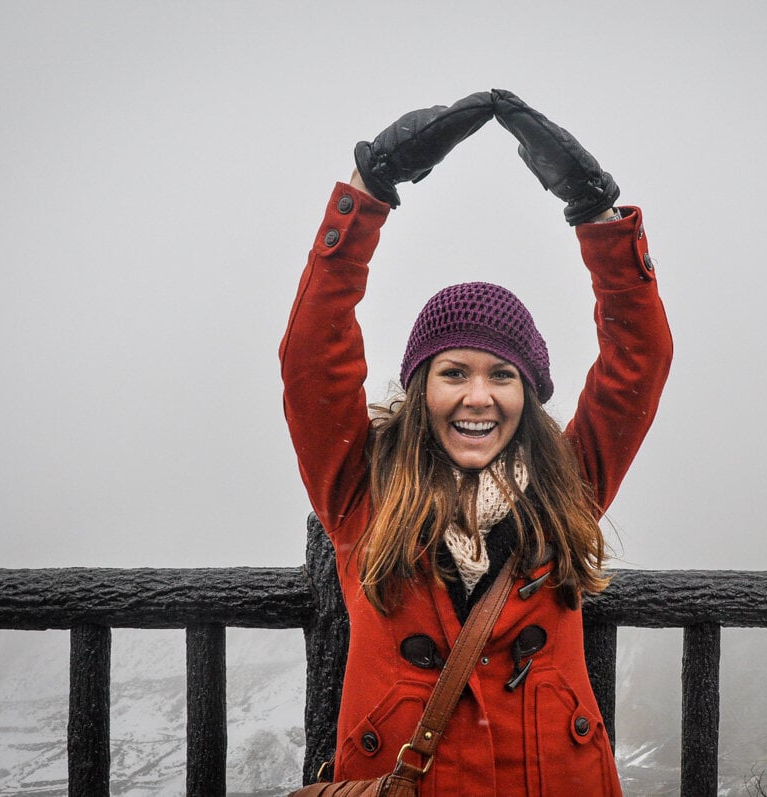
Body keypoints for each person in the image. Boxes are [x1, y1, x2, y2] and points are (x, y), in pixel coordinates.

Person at [280, 89, 673, 796]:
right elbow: (312, 354)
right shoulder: (361, 493)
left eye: (503, 375)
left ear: (528, 396)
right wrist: (369, 189)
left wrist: (597, 215)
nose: (477, 395)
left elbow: (638, 357)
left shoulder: (568, 485)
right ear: (421, 390)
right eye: (453, 372)